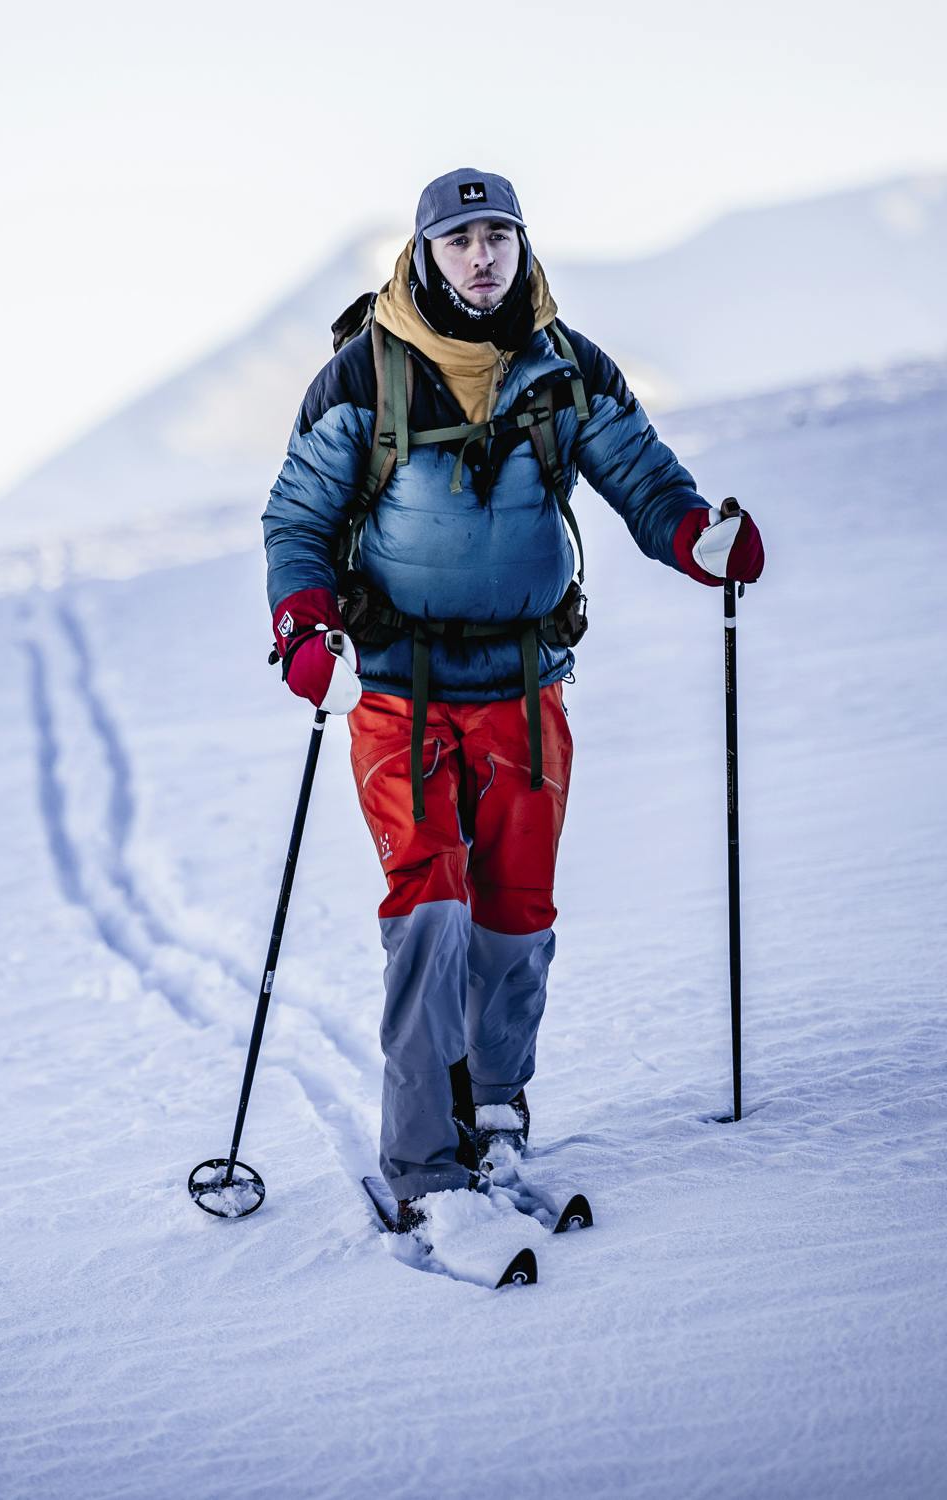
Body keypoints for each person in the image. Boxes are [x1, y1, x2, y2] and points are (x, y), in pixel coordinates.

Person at [262, 168, 764, 1231]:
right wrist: (302, 622)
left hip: (528, 693)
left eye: (498, 235)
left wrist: (698, 540)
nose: (481, 255)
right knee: (430, 908)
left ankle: (496, 1107)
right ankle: (419, 1158)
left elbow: (644, 480)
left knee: (515, 916)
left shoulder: (567, 367)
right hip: (399, 692)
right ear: (424, 253)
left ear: (522, 244)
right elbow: (298, 515)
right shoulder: (362, 376)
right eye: (460, 240)